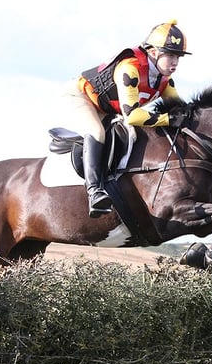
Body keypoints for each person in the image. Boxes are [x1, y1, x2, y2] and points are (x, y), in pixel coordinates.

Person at [61, 19, 192, 217]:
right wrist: (168, 119)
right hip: (80, 96)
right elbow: (131, 116)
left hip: (107, 107)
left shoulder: (164, 79)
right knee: (97, 131)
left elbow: (180, 108)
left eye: (179, 57)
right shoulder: (130, 68)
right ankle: (94, 192)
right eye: (171, 55)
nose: (175, 62)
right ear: (154, 52)